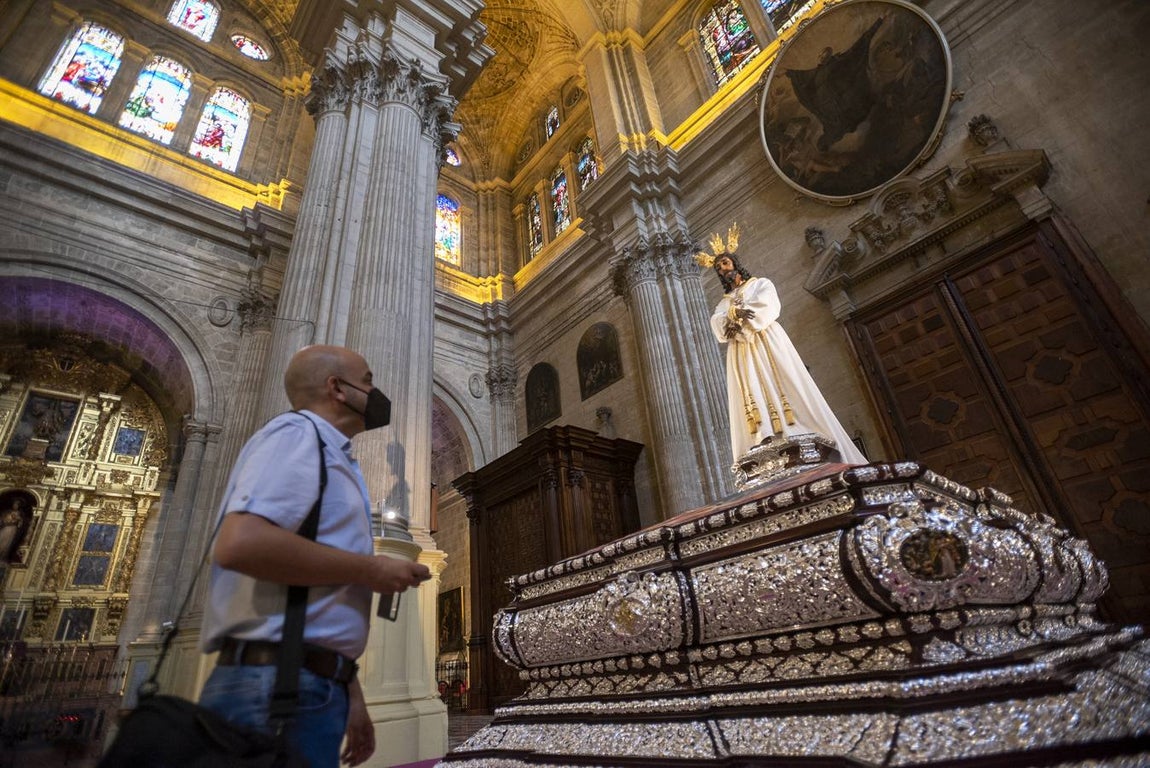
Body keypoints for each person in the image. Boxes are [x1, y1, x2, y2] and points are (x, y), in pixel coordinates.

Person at [199, 345, 431, 768]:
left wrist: (349, 690)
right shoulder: (296, 435)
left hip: (306, 682)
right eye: (368, 381)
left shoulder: (330, 452)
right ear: (337, 388)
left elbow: (314, 609)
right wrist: (372, 568)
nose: (374, 391)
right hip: (274, 688)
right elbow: (240, 543)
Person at [700, 228, 866, 465]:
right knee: (750, 386)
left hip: (767, 339)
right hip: (741, 351)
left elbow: (766, 306)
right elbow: (718, 323)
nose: (723, 269)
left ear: (735, 262)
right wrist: (733, 316)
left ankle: (794, 428)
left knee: (781, 377)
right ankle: (764, 433)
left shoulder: (760, 285)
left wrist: (738, 319)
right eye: (718, 268)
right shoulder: (723, 303)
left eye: (725, 263)